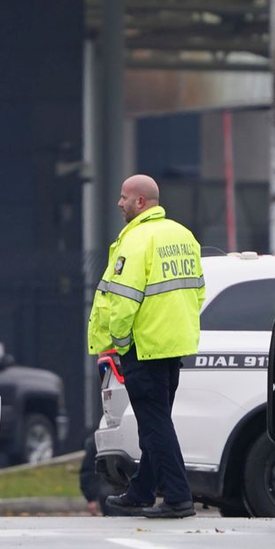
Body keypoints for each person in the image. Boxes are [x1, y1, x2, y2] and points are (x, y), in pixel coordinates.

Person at [87, 175, 203, 520]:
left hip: (143, 347)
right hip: (172, 345)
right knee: (157, 421)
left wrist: (120, 345)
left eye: (124, 198)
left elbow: (122, 301)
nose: (119, 203)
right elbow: (197, 292)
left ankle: (179, 497)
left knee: (155, 426)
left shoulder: (137, 241)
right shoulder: (183, 236)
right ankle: (141, 492)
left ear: (141, 203)